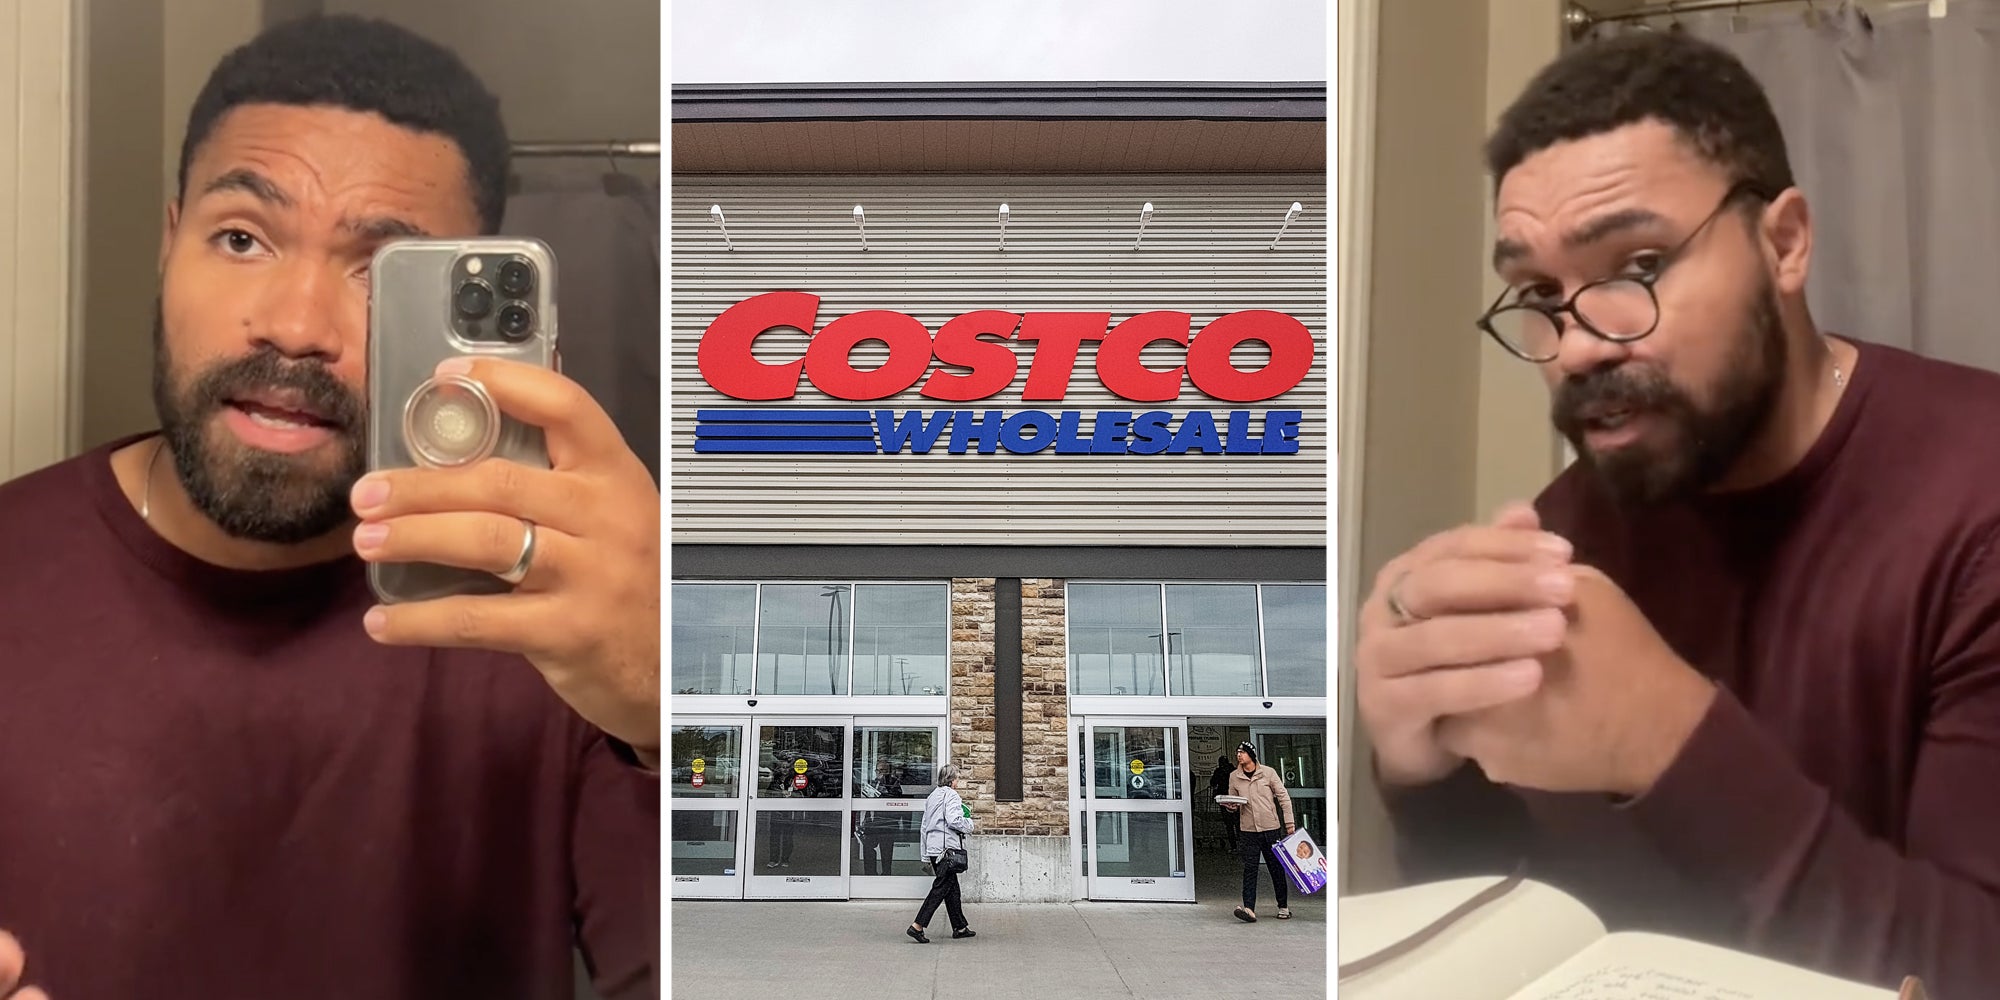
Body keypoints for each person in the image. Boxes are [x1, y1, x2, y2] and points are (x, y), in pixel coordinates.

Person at [0, 15, 660, 999]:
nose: (296, 326)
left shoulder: (560, 633)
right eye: (241, 238)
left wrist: (674, 711)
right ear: (169, 241)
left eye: (379, 271)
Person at [1354, 30, 2000, 997]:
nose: (1576, 345)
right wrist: (1423, 771)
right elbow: (1516, 917)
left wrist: (1671, 743)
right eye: (1539, 291)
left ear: (1784, 243)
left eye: (1640, 264)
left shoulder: (1978, 500)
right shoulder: (1569, 527)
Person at [1222, 741, 1295, 922]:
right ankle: (1249, 909)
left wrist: (1289, 823)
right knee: (1250, 869)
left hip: (1271, 829)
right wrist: (1231, 807)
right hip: (1248, 830)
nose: (1239, 755)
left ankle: (1283, 906)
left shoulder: (1268, 773)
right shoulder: (1234, 776)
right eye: (1238, 752)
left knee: (1275, 868)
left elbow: (1283, 797)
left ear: (1251, 755)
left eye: (1243, 752)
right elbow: (1233, 800)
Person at [906, 763, 976, 943]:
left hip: (933, 848)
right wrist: (969, 824)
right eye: (957, 779)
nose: (958, 782)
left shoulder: (932, 796)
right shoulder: (951, 795)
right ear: (952, 780)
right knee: (941, 888)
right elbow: (954, 820)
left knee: (952, 888)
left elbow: (924, 826)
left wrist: (925, 854)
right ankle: (917, 926)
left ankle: (960, 927)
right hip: (946, 850)